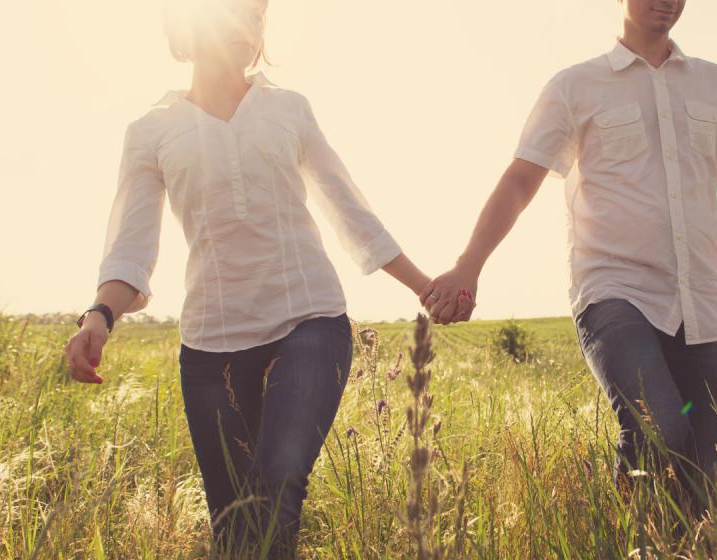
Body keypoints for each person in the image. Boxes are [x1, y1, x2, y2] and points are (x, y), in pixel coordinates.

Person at [62, 0, 465, 554]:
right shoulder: (152, 132)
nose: (247, 23)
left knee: (277, 484)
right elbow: (131, 249)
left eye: (257, 13)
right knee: (235, 530)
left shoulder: (289, 110)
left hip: (309, 324)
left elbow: (350, 211)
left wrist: (425, 286)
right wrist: (99, 318)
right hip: (210, 350)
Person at [421, 0, 717, 522]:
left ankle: (677, 545)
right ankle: (632, 535)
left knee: (704, 467)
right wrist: (469, 265)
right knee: (658, 427)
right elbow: (520, 179)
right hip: (613, 290)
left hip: (704, 298)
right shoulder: (574, 86)